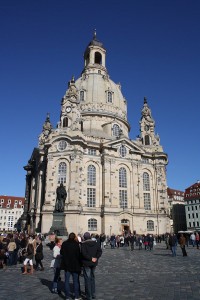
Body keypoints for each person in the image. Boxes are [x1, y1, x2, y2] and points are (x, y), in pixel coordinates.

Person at [60, 232, 82, 300]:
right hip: (75, 265)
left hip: (67, 265)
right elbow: (78, 254)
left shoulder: (64, 243)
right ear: (74, 237)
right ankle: (76, 296)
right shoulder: (76, 244)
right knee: (75, 281)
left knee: (66, 281)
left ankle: (67, 297)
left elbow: (61, 252)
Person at [81, 232, 102, 300]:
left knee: (87, 279)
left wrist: (91, 258)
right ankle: (93, 294)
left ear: (84, 237)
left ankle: (89, 295)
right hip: (93, 263)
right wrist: (96, 257)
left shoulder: (83, 244)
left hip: (87, 263)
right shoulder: (95, 243)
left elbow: (84, 254)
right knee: (92, 278)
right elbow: (100, 251)